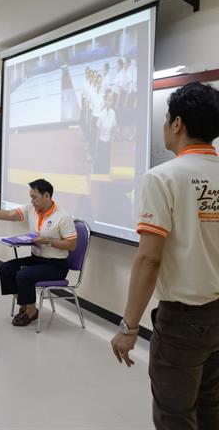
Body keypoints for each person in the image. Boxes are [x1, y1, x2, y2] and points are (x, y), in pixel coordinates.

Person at [110, 82, 219, 430]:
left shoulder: (161, 178)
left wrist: (129, 326)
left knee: (176, 416)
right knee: (212, 409)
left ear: (177, 124)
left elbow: (149, 259)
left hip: (184, 322)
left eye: (166, 119)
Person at [0, 179, 77, 327]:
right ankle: (23, 304)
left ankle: (31, 311)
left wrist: (48, 241)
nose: (32, 201)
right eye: (31, 197)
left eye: (34, 197)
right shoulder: (31, 209)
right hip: (36, 259)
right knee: (6, 269)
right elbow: (10, 215)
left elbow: (72, 244)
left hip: (56, 265)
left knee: (23, 275)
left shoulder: (63, 217)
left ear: (47, 196)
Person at [94, 89, 117, 174]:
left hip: (108, 142)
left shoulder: (113, 113)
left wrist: (113, 139)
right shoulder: (101, 115)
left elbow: (113, 127)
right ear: (105, 100)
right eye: (108, 100)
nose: (109, 102)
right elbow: (98, 132)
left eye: (111, 100)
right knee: (100, 161)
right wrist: (96, 147)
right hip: (101, 142)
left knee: (107, 161)